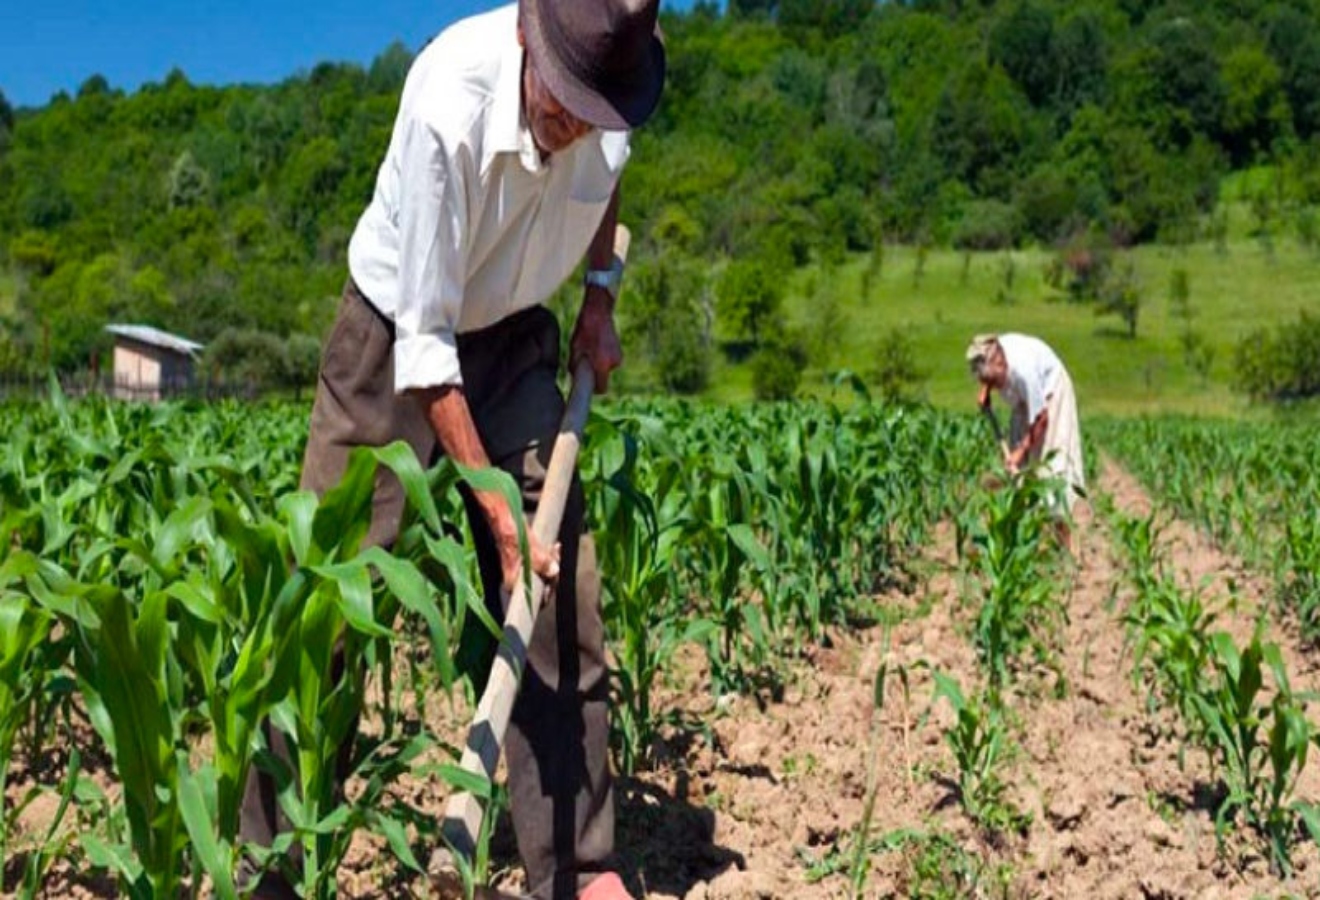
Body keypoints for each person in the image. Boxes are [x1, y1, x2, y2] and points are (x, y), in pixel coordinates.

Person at [240, 2, 665, 898]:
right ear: (526, 37)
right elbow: (426, 352)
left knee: (560, 584)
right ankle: (267, 869)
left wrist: (598, 298)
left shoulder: (611, 96)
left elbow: (606, 186)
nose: (577, 125)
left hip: (515, 331)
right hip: (395, 338)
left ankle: (579, 867)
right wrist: (496, 514)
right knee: (329, 600)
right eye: (563, 103)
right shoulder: (446, 102)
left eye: (597, 110)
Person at [966, 333, 1085, 535]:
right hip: (1024, 398)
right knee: (1018, 472)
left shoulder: (1024, 371)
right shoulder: (992, 353)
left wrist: (1020, 451)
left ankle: (1064, 542)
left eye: (994, 381)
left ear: (1001, 365)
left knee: (1051, 468)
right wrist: (986, 388)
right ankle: (1024, 533)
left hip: (1052, 393)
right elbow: (986, 366)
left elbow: (1041, 418)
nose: (994, 387)